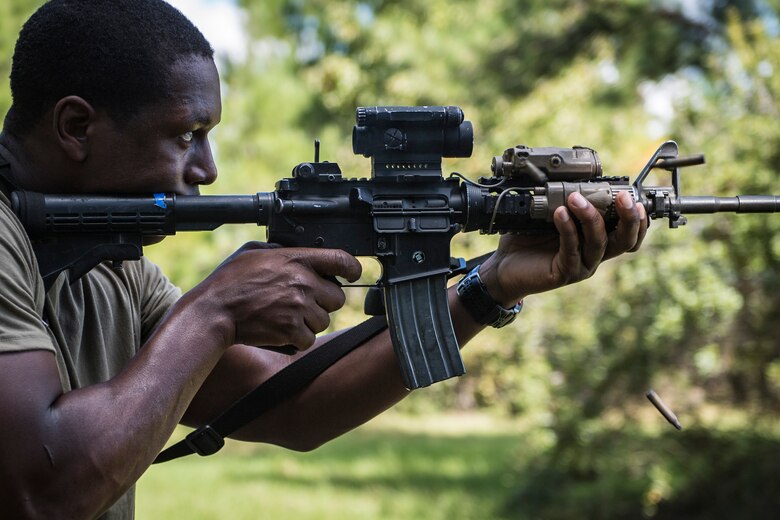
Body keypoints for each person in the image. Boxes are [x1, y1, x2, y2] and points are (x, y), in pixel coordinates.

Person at [0, 1, 648, 518]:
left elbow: (292, 406)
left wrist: (493, 284)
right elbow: (43, 495)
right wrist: (214, 310)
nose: (207, 167)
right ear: (77, 127)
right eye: (187, 135)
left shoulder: (112, 267)